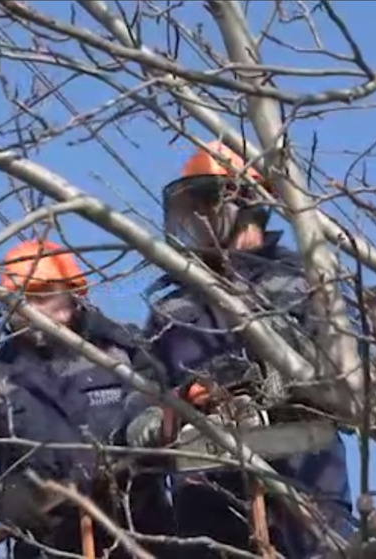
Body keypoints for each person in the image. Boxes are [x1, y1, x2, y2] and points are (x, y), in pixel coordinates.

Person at [125, 141, 354, 557]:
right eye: (190, 209)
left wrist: (279, 379)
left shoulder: (305, 285)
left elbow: (351, 378)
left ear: (247, 204)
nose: (198, 219)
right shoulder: (172, 308)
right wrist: (168, 409)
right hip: (206, 497)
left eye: (207, 204)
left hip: (305, 482)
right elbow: (141, 395)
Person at [0, 238, 175, 559]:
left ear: (74, 294)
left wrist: (143, 431)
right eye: (21, 299)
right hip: (46, 547)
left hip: (145, 537)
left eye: (43, 295)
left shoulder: (126, 350)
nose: (31, 309)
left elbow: (160, 404)